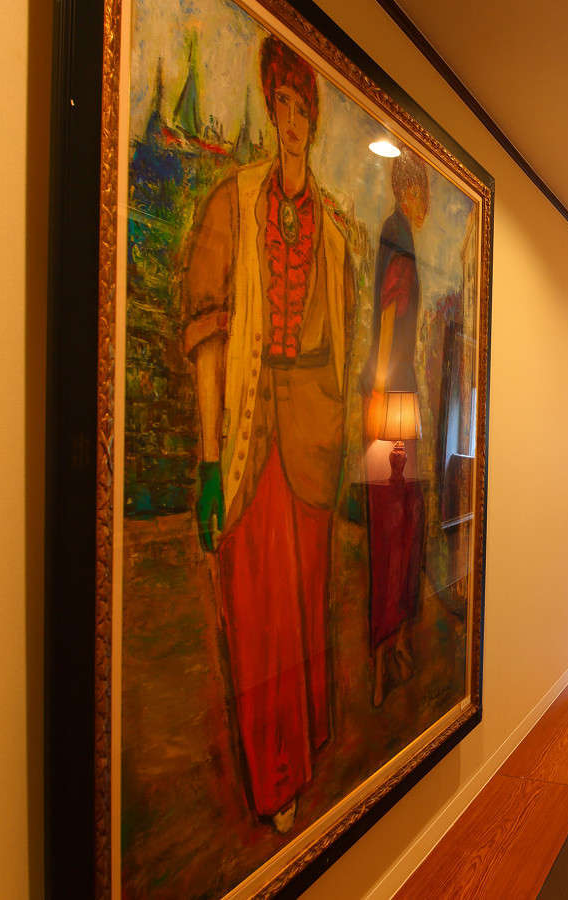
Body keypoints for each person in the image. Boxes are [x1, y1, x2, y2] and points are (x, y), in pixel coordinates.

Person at [181, 35, 353, 834]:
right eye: (281, 104)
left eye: (301, 108)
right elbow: (208, 337)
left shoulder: (335, 229)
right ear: (269, 107)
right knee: (254, 609)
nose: (291, 120)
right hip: (249, 433)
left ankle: (303, 753)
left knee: (304, 604)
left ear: (313, 120)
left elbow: (343, 346)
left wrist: (337, 430)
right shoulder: (233, 201)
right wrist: (210, 460)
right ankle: (271, 774)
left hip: (310, 444)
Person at [361, 152, 429, 706]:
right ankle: (389, 642)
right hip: (393, 388)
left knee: (404, 532)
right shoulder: (398, 237)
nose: (423, 205)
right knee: (394, 534)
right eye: (421, 193)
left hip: (397, 385)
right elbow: (388, 316)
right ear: (411, 192)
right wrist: (382, 388)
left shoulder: (396, 236)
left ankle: (398, 640)